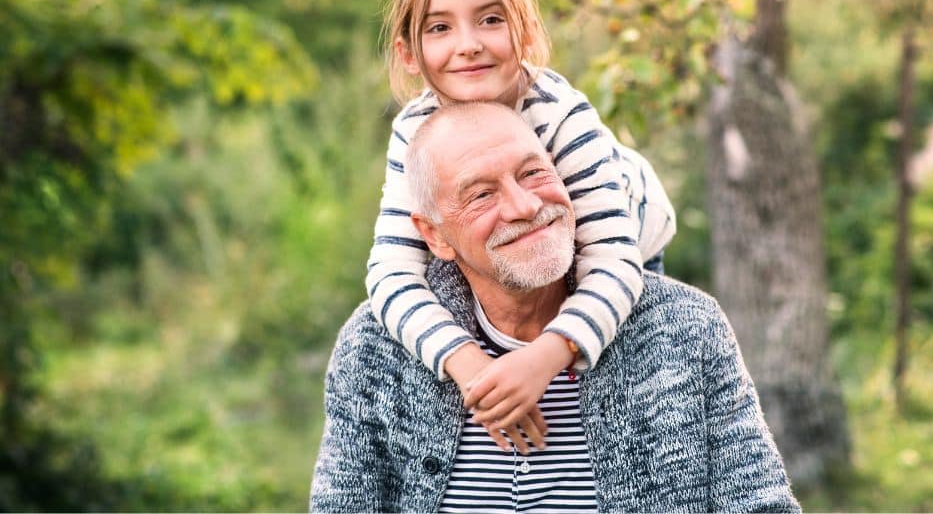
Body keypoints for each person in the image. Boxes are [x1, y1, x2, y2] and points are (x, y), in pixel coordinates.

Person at [310, 102, 800, 512]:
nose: (524, 205)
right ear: (435, 235)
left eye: (533, 172)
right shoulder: (374, 349)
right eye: (481, 194)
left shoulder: (685, 328)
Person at [366, 0, 676, 450]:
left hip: (622, 248)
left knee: (618, 391)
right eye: (439, 28)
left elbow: (613, 258)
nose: (468, 45)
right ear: (409, 54)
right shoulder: (415, 133)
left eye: (490, 20)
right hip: (508, 269)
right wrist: (467, 364)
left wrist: (546, 355)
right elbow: (391, 273)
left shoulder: (559, 113)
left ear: (526, 33)